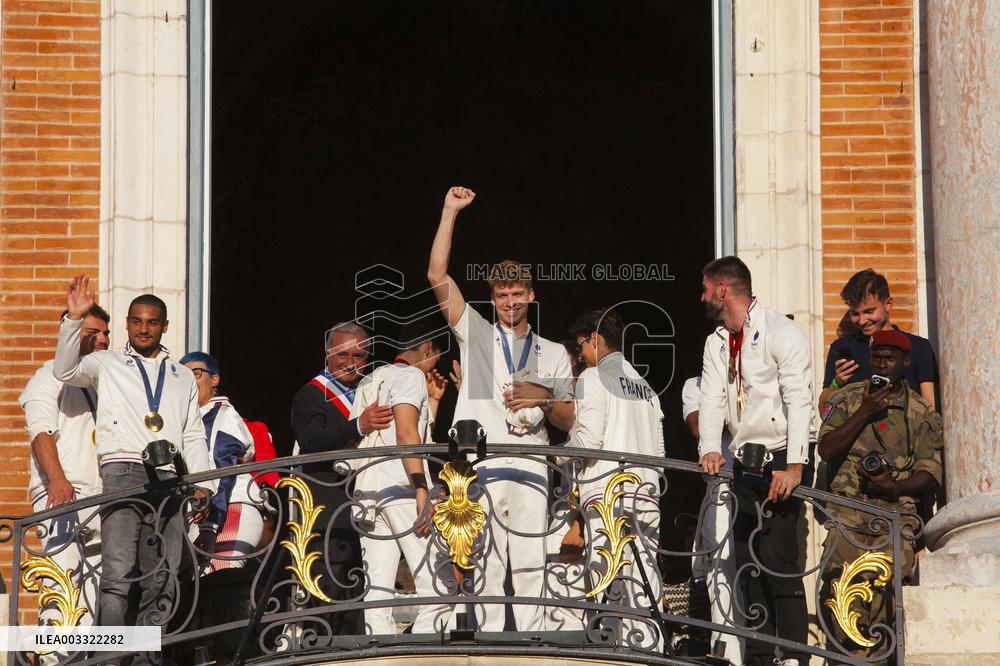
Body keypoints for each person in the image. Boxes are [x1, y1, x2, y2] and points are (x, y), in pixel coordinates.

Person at [427, 186, 575, 631]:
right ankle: (491, 643)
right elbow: (436, 274)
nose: (510, 301)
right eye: (502, 294)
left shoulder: (553, 352)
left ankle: (531, 643)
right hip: (486, 462)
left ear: (531, 295)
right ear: (491, 299)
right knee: (486, 558)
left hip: (532, 461)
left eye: (517, 293)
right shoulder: (476, 334)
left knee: (530, 560)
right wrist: (449, 212)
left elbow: (568, 419)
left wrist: (543, 397)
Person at [53, 276, 216, 652]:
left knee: (162, 577)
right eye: (137, 321)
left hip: (168, 478)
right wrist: (73, 320)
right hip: (123, 472)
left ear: (165, 326)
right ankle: (109, 658)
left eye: (152, 322)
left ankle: (145, 657)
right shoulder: (106, 362)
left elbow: (193, 433)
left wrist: (204, 483)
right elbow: (65, 371)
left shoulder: (181, 376)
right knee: (118, 573)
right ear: (127, 324)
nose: (144, 329)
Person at [696, 257, 813, 666]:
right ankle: (761, 657)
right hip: (744, 459)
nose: (701, 297)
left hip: (782, 453)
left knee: (778, 558)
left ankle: (794, 656)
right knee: (748, 561)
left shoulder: (782, 331)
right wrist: (710, 448)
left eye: (705, 289)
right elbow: (711, 400)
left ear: (722, 290)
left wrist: (795, 466)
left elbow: (799, 400)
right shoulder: (716, 342)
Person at [817, 329, 942, 656]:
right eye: (877, 358)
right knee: (839, 600)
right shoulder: (847, 399)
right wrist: (864, 412)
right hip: (848, 517)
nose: (882, 365)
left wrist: (894, 486)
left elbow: (930, 474)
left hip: (894, 520)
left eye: (889, 358)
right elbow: (826, 449)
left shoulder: (920, 411)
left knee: (886, 604)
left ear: (905, 361)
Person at [545, 309, 664, 649]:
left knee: (606, 581)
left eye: (582, 345)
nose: (581, 354)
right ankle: (650, 651)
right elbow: (659, 455)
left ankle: (610, 652)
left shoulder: (593, 377)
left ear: (594, 339)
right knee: (645, 581)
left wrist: (550, 456)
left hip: (606, 495)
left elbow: (588, 441)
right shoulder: (647, 389)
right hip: (646, 495)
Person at [350, 319, 455, 634]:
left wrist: (433, 402)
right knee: (439, 585)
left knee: (377, 594)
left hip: (368, 490)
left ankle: (378, 651)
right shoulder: (411, 375)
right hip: (402, 487)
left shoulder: (371, 379)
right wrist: (421, 487)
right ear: (427, 348)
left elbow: (397, 429)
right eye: (436, 357)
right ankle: (424, 650)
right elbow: (406, 432)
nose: (435, 365)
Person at [19, 305, 110, 664]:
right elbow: (39, 431)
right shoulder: (47, 377)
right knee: (62, 583)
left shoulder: (101, 383)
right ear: (69, 333)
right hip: (63, 494)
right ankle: (52, 660)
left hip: (101, 498)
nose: (103, 339)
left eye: (106, 333)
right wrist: (57, 480)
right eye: (93, 332)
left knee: (94, 593)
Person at [289, 321, 392, 634]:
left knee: (360, 590)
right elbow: (310, 439)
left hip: (362, 506)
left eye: (359, 356)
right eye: (343, 355)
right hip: (326, 512)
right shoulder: (311, 393)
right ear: (327, 354)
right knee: (329, 592)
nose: (350, 363)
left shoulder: (366, 391)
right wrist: (358, 425)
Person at [179, 352, 259, 572]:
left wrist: (210, 527)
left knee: (220, 578)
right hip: (208, 515)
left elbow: (222, 470)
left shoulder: (221, 415)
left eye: (195, 373)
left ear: (214, 380)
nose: (188, 381)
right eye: (182, 376)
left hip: (229, 507)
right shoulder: (191, 420)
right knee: (205, 585)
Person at [681, 376, 742, 664]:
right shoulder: (693, 385)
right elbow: (699, 428)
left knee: (754, 573)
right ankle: (728, 654)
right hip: (722, 488)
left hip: (757, 484)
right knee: (721, 575)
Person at [820, 269, 938, 409]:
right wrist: (836, 383)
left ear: (888, 304)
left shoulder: (919, 347)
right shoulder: (841, 348)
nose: (862, 321)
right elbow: (823, 410)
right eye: (855, 314)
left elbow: (930, 409)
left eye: (869, 311)